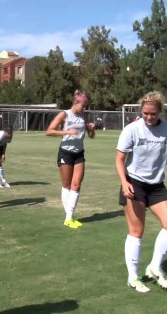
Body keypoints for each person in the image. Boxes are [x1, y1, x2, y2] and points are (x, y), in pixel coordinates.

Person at [115, 91, 167, 293]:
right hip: (134, 184)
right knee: (137, 231)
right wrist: (124, 182)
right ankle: (133, 277)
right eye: (145, 113)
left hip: (156, 186)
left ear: (160, 111)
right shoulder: (132, 129)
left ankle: (154, 266)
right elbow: (119, 159)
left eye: (153, 113)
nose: (149, 117)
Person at [45, 91, 96, 229]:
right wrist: (67, 132)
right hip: (65, 153)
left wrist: (91, 129)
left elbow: (91, 136)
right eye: (83, 106)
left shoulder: (83, 116)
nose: (84, 108)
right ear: (75, 103)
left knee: (77, 185)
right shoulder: (64, 114)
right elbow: (49, 131)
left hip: (79, 153)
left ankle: (69, 217)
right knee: (67, 185)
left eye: (86, 106)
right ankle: (69, 217)